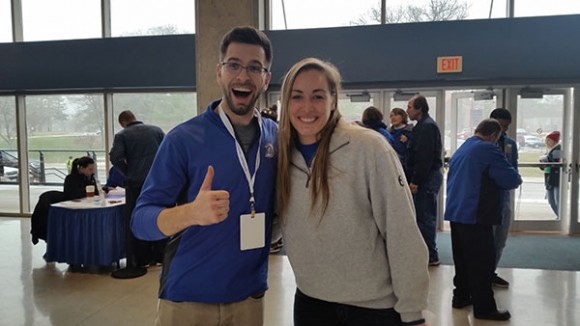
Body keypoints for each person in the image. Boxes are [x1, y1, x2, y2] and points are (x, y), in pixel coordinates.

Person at [130, 26, 276, 325]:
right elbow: (140, 221)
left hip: (249, 297)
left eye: (254, 68)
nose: (243, 76)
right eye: (233, 65)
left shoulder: (277, 137)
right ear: (219, 73)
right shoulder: (183, 139)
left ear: (265, 79)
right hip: (188, 299)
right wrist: (190, 213)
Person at [277, 58, 428, 326]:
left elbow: (401, 231)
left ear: (334, 100)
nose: (307, 107)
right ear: (286, 102)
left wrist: (412, 312)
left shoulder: (369, 148)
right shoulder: (281, 156)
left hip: (371, 309)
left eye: (318, 96)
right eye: (297, 96)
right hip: (311, 302)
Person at [445, 118, 521, 321]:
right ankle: (484, 307)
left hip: (456, 212)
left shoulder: (464, 147)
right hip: (475, 214)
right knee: (481, 262)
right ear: (494, 136)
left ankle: (460, 296)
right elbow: (511, 179)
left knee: (462, 260)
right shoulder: (489, 150)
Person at [109, 110, 166, 268]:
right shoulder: (156, 130)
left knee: (138, 219)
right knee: (160, 216)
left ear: (123, 122)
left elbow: (115, 157)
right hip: (158, 182)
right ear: (135, 118)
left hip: (136, 183)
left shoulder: (123, 135)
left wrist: (127, 171)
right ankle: (161, 256)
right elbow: (168, 152)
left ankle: (143, 259)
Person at [406, 95, 443, 266]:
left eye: (410, 107)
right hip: (425, 176)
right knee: (422, 216)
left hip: (426, 178)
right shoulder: (421, 126)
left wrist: (416, 181)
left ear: (420, 109)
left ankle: (430, 255)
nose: (407, 111)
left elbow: (424, 158)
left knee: (425, 216)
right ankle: (426, 252)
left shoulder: (427, 127)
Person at [489, 108, 519, 288]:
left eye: (506, 127)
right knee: (486, 238)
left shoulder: (510, 144)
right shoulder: (483, 144)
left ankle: (491, 271)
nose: (503, 131)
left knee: (500, 238)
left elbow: (512, 168)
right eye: (500, 126)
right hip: (488, 197)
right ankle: (481, 273)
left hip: (504, 196)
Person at [540, 130, 561, 218]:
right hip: (550, 178)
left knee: (556, 200)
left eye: (549, 140)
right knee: (551, 200)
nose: (547, 142)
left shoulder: (558, 149)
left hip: (556, 178)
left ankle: (560, 217)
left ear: (554, 141)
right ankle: (559, 216)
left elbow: (555, 162)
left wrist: (545, 159)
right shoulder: (550, 150)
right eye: (546, 140)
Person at [388, 107, 413, 179]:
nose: (393, 118)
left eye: (396, 115)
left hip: (407, 168)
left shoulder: (411, 131)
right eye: (391, 116)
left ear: (403, 116)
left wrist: (408, 142)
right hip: (392, 166)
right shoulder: (388, 133)